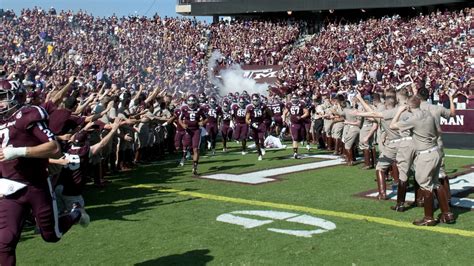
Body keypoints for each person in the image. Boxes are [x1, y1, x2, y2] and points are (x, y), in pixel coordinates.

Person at [0, 80, 86, 266]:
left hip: (36, 185)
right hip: (10, 187)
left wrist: (18, 151)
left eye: (2, 98)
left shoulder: (26, 115)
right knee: (5, 241)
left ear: (17, 96)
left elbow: (54, 147)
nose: (0, 103)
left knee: (51, 235)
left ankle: (75, 213)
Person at [390, 96, 455, 226]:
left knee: (425, 185)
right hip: (435, 151)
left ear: (408, 106)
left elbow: (392, 126)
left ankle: (429, 218)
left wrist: (399, 111)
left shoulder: (413, 119)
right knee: (436, 183)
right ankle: (447, 214)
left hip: (425, 155)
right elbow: (438, 131)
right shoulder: (429, 114)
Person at [179, 94, 207, 175]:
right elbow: (180, 119)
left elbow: (206, 118)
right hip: (188, 130)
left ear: (195, 101)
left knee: (196, 149)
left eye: (192, 101)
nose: (191, 103)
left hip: (196, 130)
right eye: (189, 101)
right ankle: (184, 157)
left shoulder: (200, 109)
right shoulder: (184, 108)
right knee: (186, 145)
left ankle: (195, 166)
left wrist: (202, 122)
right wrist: (183, 125)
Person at [246, 93, 272, 161]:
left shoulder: (263, 106)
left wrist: (270, 120)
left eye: (256, 100)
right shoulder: (250, 107)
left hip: (261, 123)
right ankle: (259, 154)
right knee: (256, 141)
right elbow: (246, 119)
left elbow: (270, 113)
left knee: (261, 137)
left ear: (259, 99)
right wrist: (251, 123)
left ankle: (262, 147)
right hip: (253, 124)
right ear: (252, 100)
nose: (255, 101)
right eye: (254, 100)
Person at [283, 94, 309, 159]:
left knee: (302, 136)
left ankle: (303, 140)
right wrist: (284, 120)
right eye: (293, 98)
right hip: (293, 123)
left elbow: (306, 112)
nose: (294, 100)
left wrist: (301, 117)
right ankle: (295, 153)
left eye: (295, 98)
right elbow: (284, 112)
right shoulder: (289, 104)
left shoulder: (301, 103)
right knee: (295, 138)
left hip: (301, 123)